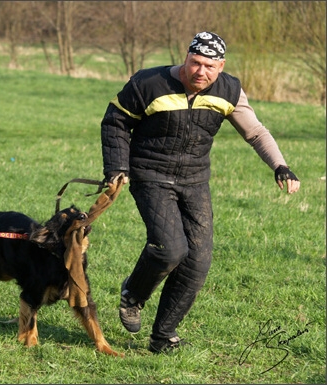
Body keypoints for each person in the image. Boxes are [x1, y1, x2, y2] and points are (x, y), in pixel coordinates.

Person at [100, 31, 300, 353]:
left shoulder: (229, 91)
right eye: (195, 62)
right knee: (169, 249)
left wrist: (280, 165)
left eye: (209, 65)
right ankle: (133, 294)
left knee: (198, 262)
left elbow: (256, 132)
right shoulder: (148, 83)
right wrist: (116, 167)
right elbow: (116, 122)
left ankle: (163, 336)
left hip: (194, 179)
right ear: (186, 57)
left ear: (220, 66)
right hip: (150, 173)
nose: (200, 72)